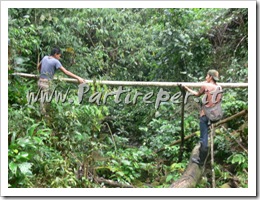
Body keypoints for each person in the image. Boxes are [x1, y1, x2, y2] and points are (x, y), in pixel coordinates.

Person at [182, 69, 222, 166]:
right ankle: (203, 158)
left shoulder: (205, 86)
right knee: (206, 135)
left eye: (207, 76)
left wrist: (186, 88)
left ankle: (201, 161)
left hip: (205, 115)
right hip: (215, 115)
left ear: (210, 77)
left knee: (203, 138)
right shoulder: (219, 87)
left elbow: (197, 94)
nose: (205, 77)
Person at [37, 47, 85, 114]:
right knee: (46, 102)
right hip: (46, 83)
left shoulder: (45, 57)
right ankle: (44, 117)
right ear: (56, 54)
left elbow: (38, 67)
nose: (60, 57)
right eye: (59, 55)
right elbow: (66, 72)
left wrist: (43, 72)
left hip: (40, 82)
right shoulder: (56, 61)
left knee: (42, 100)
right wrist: (78, 78)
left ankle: (42, 116)